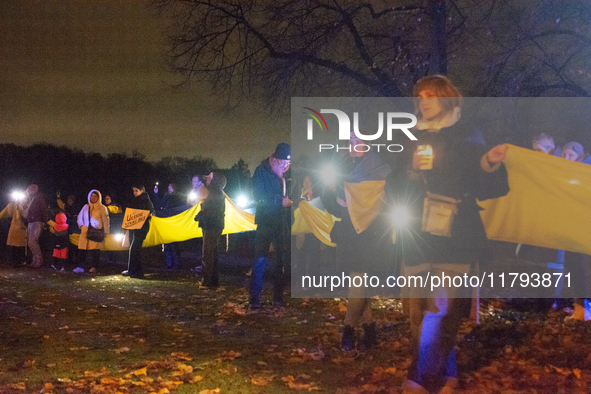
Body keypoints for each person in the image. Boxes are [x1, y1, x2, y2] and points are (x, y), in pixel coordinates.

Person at [401, 75, 509, 393]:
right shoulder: (413, 136)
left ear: (447, 98)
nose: (424, 99)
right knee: (417, 313)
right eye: (420, 94)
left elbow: (486, 186)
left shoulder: (467, 134)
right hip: (419, 235)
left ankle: (417, 378)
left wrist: (488, 162)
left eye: (432, 94)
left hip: (456, 233)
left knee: (441, 308)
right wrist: (411, 172)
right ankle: (450, 373)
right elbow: (398, 186)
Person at [323, 134, 392, 351]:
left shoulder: (381, 169)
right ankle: (370, 328)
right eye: (350, 141)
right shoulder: (343, 166)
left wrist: (354, 199)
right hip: (348, 231)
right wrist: (334, 194)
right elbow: (330, 201)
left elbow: (386, 199)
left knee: (359, 282)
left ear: (367, 143)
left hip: (371, 233)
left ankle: (348, 330)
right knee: (360, 283)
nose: (351, 145)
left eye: (356, 140)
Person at [249, 143, 292, 309]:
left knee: (281, 261)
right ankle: (255, 300)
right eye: (282, 162)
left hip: (280, 223)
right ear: (274, 159)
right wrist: (279, 201)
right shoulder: (262, 171)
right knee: (260, 261)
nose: (285, 166)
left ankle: (278, 298)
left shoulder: (285, 175)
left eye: (288, 163)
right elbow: (258, 196)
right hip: (266, 222)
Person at [561, 141, 591, 321]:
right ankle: (581, 307)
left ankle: (582, 308)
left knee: (579, 266)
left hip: (583, 228)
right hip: (576, 228)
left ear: (579, 155)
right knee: (576, 265)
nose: (566, 158)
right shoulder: (570, 171)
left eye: (570, 155)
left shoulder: (584, 171)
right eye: (564, 154)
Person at [195, 172, 227, 287]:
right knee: (212, 253)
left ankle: (207, 281)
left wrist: (201, 215)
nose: (206, 181)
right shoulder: (215, 193)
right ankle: (213, 281)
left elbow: (211, 211)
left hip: (212, 226)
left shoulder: (216, 193)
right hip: (212, 225)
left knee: (207, 253)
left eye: (209, 180)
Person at [122, 184, 154, 279]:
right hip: (135, 229)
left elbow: (152, 213)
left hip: (142, 229)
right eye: (134, 191)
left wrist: (147, 215)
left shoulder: (146, 201)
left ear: (141, 191)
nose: (134, 193)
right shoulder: (135, 200)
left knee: (136, 249)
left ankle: (137, 272)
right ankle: (132, 270)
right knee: (134, 249)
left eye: (136, 191)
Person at [73, 190, 109, 274]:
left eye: (95, 196)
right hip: (85, 231)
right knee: (82, 250)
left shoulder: (102, 208)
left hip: (96, 231)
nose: (93, 198)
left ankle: (93, 267)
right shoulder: (86, 206)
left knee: (95, 250)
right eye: (92, 196)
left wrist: (106, 231)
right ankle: (80, 266)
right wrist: (81, 226)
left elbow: (106, 220)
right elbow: (80, 217)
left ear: (98, 197)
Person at [154, 183, 186, 270]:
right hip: (166, 222)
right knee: (167, 245)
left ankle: (176, 264)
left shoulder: (178, 197)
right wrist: (156, 193)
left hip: (174, 223)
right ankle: (169, 264)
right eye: (169, 187)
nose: (170, 188)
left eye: (171, 187)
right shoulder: (166, 197)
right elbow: (159, 204)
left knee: (174, 245)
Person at [22, 184, 48, 268]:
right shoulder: (31, 199)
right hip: (31, 221)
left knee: (33, 242)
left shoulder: (38, 199)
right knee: (31, 242)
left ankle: (39, 260)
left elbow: (44, 211)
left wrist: (45, 222)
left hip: (37, 221)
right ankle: (35, 259)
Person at [0, 196, 28, 266]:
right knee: (14, 245)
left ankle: (21, 260)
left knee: (21, 245)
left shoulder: (24, 204)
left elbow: (24, 214)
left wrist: (19, 205)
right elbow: (10, 213)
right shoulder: (12, 204)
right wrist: (11, 204)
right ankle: (15, 260)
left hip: (22, 227)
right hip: (14, 227)